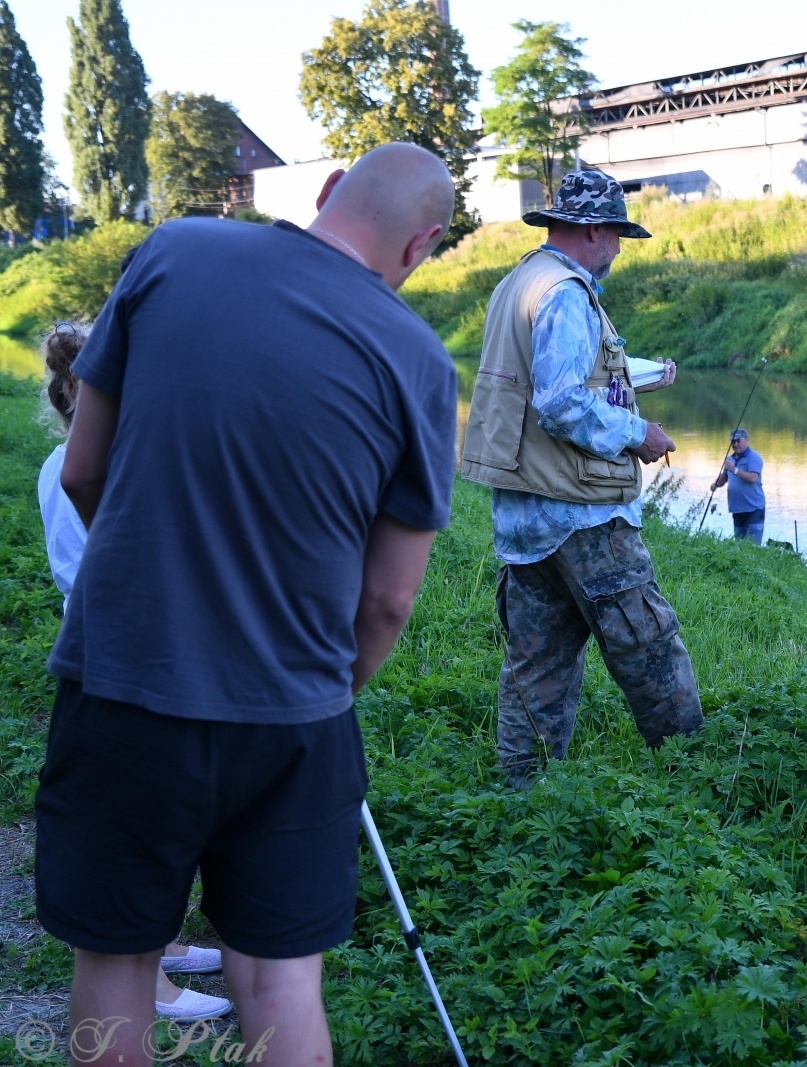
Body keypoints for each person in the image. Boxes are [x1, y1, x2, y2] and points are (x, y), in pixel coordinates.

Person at [36, 142, 459, 1066]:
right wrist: (316, 682)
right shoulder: (420, 362)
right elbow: (387, 599)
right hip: (295, 719)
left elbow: (82, 469)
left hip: (123, 684)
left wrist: (158, 577)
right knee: (276, 980)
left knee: (115, 959)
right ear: (422, 245)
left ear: (326, 192)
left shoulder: (174, 250)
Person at [459, 168, 702, 788]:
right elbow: (563, 401)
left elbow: (552, 382)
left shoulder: (520, 281)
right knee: (648, 645)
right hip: (581, 513)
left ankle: (522, 793)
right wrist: (637, 433)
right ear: (593, 230)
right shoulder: (566, 291)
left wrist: (632, 379)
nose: (619, 250)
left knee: (535, 663)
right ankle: (696, 780)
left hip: (526, 513)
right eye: (618, 235)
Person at [36, 322, 231, 1024]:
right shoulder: (105, 470)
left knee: (157, 812)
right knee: (147, 819)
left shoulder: (59, 462)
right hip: (131, 657)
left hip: (109, 650)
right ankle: (147, 975)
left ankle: (164, 944)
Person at [711, 427, 765, 544]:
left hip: (754, 509)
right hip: (737, 509)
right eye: (732, 441)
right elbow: (724, 477)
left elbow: (753, 478)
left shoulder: (754, 458)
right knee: (739, 547)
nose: (735, 444)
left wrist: (735, 470)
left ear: (746, 440)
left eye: (738, 441)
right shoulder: (730, 459)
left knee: (752, 548)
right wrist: (715, 484)